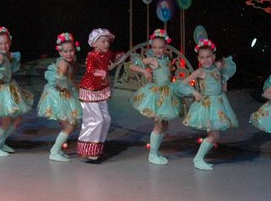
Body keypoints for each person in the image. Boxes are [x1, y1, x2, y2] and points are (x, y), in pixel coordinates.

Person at [178, 39, 237, 171]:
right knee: (214, 135)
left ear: (214, 56)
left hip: (219, 103)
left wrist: (224, 81)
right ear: (198, 59)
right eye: (202, 57)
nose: (206, 60)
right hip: (208, 105)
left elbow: (225, 68)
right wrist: (194, 92)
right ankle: (198, 159)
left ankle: (199, 158)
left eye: (208, 56)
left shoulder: (217, 66)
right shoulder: (200, 72)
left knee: (215, 135)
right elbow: (182, 84)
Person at [128, 28, 184, 165]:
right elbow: (132, 66)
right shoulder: (152, 59)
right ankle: (152, 154)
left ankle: (156, 151)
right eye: (154, 48)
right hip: (157, 94)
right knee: (159, 124)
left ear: (166, 47)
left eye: (160, 47)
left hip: (167, 92)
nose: (157, 50)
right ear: (151, 47)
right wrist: (144, 71)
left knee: (164, 124)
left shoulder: (166, 58)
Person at [0, 26, 34, 156]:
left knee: (17, 118)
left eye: (6, 43)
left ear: (10, 42)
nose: (4, 46)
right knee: (6, 121)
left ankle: (1, 142)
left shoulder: (7, 54)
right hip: (2, 91)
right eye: (1, 43)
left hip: (10, 87)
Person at [75, 28, 128, 162]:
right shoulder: (91, 55)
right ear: (94, 43)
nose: (106, 44)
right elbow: (90, 70)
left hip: (100, 89)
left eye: (108, 41)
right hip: (90, 90)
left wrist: (118, 59)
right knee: (96, 119)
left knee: (106, 119)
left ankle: (97, 147)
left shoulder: (107, 54)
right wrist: (102, 72)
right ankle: (87, 148)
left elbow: (116, 56)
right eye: (103, 41)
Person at [37, 32, 82, 161]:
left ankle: (56, 149)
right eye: (65, 51)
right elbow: (58, 80)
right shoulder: (64, 64)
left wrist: (76, 87)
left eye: (71, 51)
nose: (68, 54)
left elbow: (71, 79)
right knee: (69, 126)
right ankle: (55, 151)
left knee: (70, 124)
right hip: (59, 97)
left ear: (75, 49)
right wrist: (64, 87)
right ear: (60, 52)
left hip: (66, 94)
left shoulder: (71, 63)